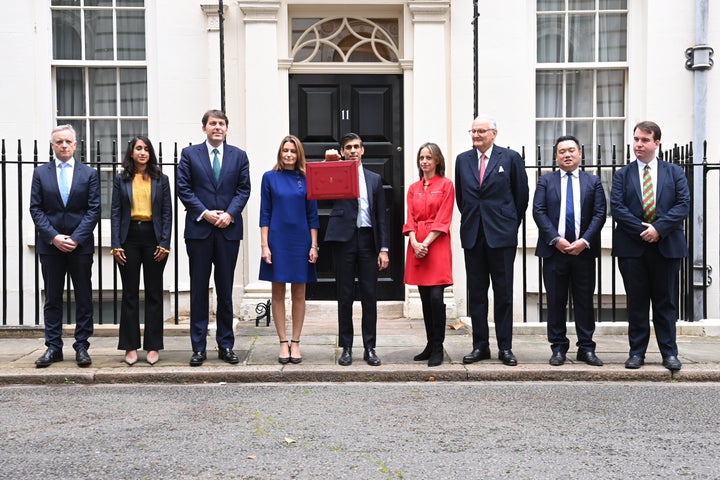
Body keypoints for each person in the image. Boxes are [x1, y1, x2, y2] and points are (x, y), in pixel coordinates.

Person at [611, 121, 690, 372]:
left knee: (665, 302)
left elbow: (683, 205)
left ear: (656, 143)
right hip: (632, 247)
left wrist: (659, 229)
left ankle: (669, 353)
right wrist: (643, 230)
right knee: (636, 301)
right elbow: (618, 208)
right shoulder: (623, 174)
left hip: (666, 245)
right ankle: (637, 353)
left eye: (644, 140)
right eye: (636, 139)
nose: (638, 144)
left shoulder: (674, 172)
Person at [177, 109, 251, 366]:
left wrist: (229, 215)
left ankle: (226, 344)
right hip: (199, 232)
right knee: (198, 290)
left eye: (221, 124)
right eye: (212, 124)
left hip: (228, 231)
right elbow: (183, 188)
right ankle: (198, 347)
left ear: (227, 129)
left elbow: (243, 189)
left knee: (225, 291)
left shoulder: (239, 156)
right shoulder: (189, 155)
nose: (217, 127)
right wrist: (205, 213)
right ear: (204, 128)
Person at [455, 115, 529, 366]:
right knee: (477, 294)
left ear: (494, 133)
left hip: (501, 237)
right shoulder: (462, 160)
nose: (476, 136)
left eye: (481, 131)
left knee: (503, 294)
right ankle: (480, 346)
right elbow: (462, 199)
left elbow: (521, 198)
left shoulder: (510, 159)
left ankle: (505, 347)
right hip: (473, 235)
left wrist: (508, 225)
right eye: (473, 131)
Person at [30, 124, 101, 368]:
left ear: (75, 144)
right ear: (52, 145)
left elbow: (93, 210)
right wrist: (54, 237)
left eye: (68, 141)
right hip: (50, 246)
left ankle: (82, 346)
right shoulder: (41, 173)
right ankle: (53, 346)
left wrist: (76, 238)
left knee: (83, 297)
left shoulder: (88, 174)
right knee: (52, 297)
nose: (63, 145)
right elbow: (36, 209)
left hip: (80, 247)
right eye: (59, 142)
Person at [532, 135, 606, 367]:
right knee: (555, 301)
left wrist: (584, 241)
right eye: (562, 151)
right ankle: (558, 348)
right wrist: (555, 239)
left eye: (571, 150)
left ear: (580, 154)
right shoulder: (546, 181)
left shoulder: (592, 181)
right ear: (556, 156)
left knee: (584, 301)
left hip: (583, 252)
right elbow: (539, 211)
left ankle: (586, 348)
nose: (567, 155)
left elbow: (599, 213)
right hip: (555, 253)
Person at [325, 133, 389, 366]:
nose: (353, 151)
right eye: (348, 147)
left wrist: (384, 248)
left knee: (370, 296)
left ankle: (370, 347)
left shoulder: (374, 179)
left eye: (356, 147)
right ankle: (347, 347)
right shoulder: (336, 172)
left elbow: (381, 215)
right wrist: (329, 163)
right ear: (342, 151)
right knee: (345, 296)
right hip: (344, 240)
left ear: (363, 150)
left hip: (368, 240)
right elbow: (319, 186)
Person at [110, 136, 172, 366]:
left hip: (153, 237)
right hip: (129, 239)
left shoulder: (161, 179)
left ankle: (153, 345)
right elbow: (115, 212)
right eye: (138, 148)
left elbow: (167, 213)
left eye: (146, 149)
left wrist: (165, 243)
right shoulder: (121, 179)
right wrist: (116, 244)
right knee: (129, 293)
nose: (142, 152)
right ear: (132, 152)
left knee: (154, 293)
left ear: (150, 153)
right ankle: (130, 346)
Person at [259, 135, 319, 364]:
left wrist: (314, 245)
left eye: (293, 151)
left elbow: (312, 215)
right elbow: (265, 213)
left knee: (299, 293)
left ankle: (296, 342)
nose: (289, 155)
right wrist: (265, 245)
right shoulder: (269, 178)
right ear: (280, 152)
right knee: (277, 292)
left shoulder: (307, 178)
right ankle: (282, 342)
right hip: (277, 240)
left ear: (299, 154)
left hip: (301, 240)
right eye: (285, 150)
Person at [403, 142, 454, 367]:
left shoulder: (446, 185)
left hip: (437, 243)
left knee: (436, 297)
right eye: (422, 157)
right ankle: (429, 343)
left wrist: (426, 242)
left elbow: (444, 217)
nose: (424, 161)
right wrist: (414, 241)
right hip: (417, 244)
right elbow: (410, 218)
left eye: (429, 158)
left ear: (437, 161)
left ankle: (438, 346)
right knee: (424, 297)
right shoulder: (413, 188)